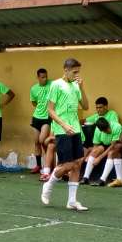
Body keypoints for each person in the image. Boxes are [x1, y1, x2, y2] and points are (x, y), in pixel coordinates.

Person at [40, 58, 90, 211]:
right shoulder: (56, 85)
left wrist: (82, 88)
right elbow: (50, 109)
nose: (76, 75)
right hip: (62, 130)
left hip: (75, 129)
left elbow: (86, 106)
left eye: (78, 72)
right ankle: (48, 184)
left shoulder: (76, 85)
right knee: (68, 164)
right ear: (66, 70)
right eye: (74, 72)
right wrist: (63, 124)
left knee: (77, 163)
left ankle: (72, 201)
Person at [81, 115, 122, 185]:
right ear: (101, 130)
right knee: (95, 150)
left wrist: (99, 158)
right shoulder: (98, 130)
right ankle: (85, 178)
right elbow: (95, 145)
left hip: (116, 146)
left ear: (108, 123)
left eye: (108, 128)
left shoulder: (117, 127)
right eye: (105, 131)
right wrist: (91, 155)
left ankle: (102, 180)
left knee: (111, 153)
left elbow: (112, 146)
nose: (108, 131)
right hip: (105, 145)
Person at [29, 68, 51, 174]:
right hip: (36, 117)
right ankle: (38, 165)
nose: (45, 79)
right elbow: (34, 103)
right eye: (42, 77)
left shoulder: (52, 84)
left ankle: (48, 164)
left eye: (46, 76)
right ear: (38, 78)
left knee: (43, 141)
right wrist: (40, 108)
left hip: (47, 118)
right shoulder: (33, 89)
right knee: (37, 142)